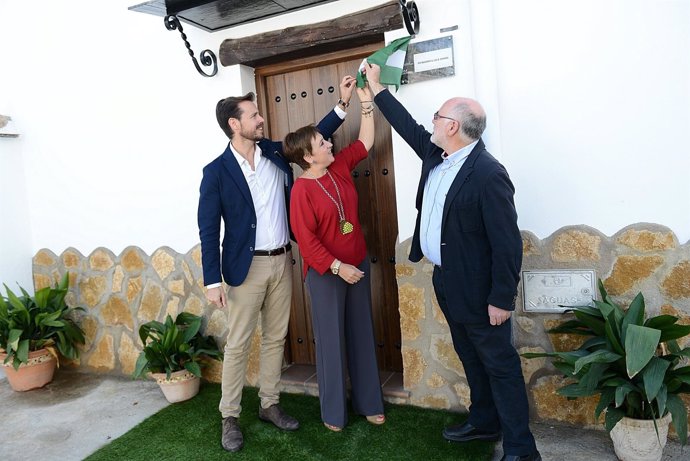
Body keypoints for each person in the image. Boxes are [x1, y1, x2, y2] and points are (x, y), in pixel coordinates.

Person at [364, 63, 541, 461]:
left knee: (499, 365)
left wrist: (501, 299)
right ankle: (484, 421)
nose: (431, 120)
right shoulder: (437, 155)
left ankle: (521, 449)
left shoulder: (488, 174)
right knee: (469, 355)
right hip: (446, 280)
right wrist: (376, 89)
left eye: (439, 116)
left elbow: (507, 243)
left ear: (454, 127)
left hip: (481, 294)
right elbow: (407, 125)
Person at [197, 77, 355, 452]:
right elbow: (207, 229)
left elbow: (309, 141)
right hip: (244, 269)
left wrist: (342, 105)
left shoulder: (272, 152)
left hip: (283, 260)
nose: (261, 119)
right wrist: (211, 280)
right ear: (234, 125)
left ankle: (270, 404)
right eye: (253, 116)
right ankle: (230, 416)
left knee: (275, 339)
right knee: (237, 344)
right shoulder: (216, 172)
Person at [283, 79, 385, 432]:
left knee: (361, 333)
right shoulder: (301, 191)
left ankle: (370, 402)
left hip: (357, 268)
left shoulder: (339, 166)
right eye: (323, 142)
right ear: (308, 157)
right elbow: (306, 241)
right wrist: (339, 268)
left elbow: (366, 142)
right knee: (331, 342)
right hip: (328, 275)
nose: (330, 142)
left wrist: (365, 102)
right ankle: (333, 414)